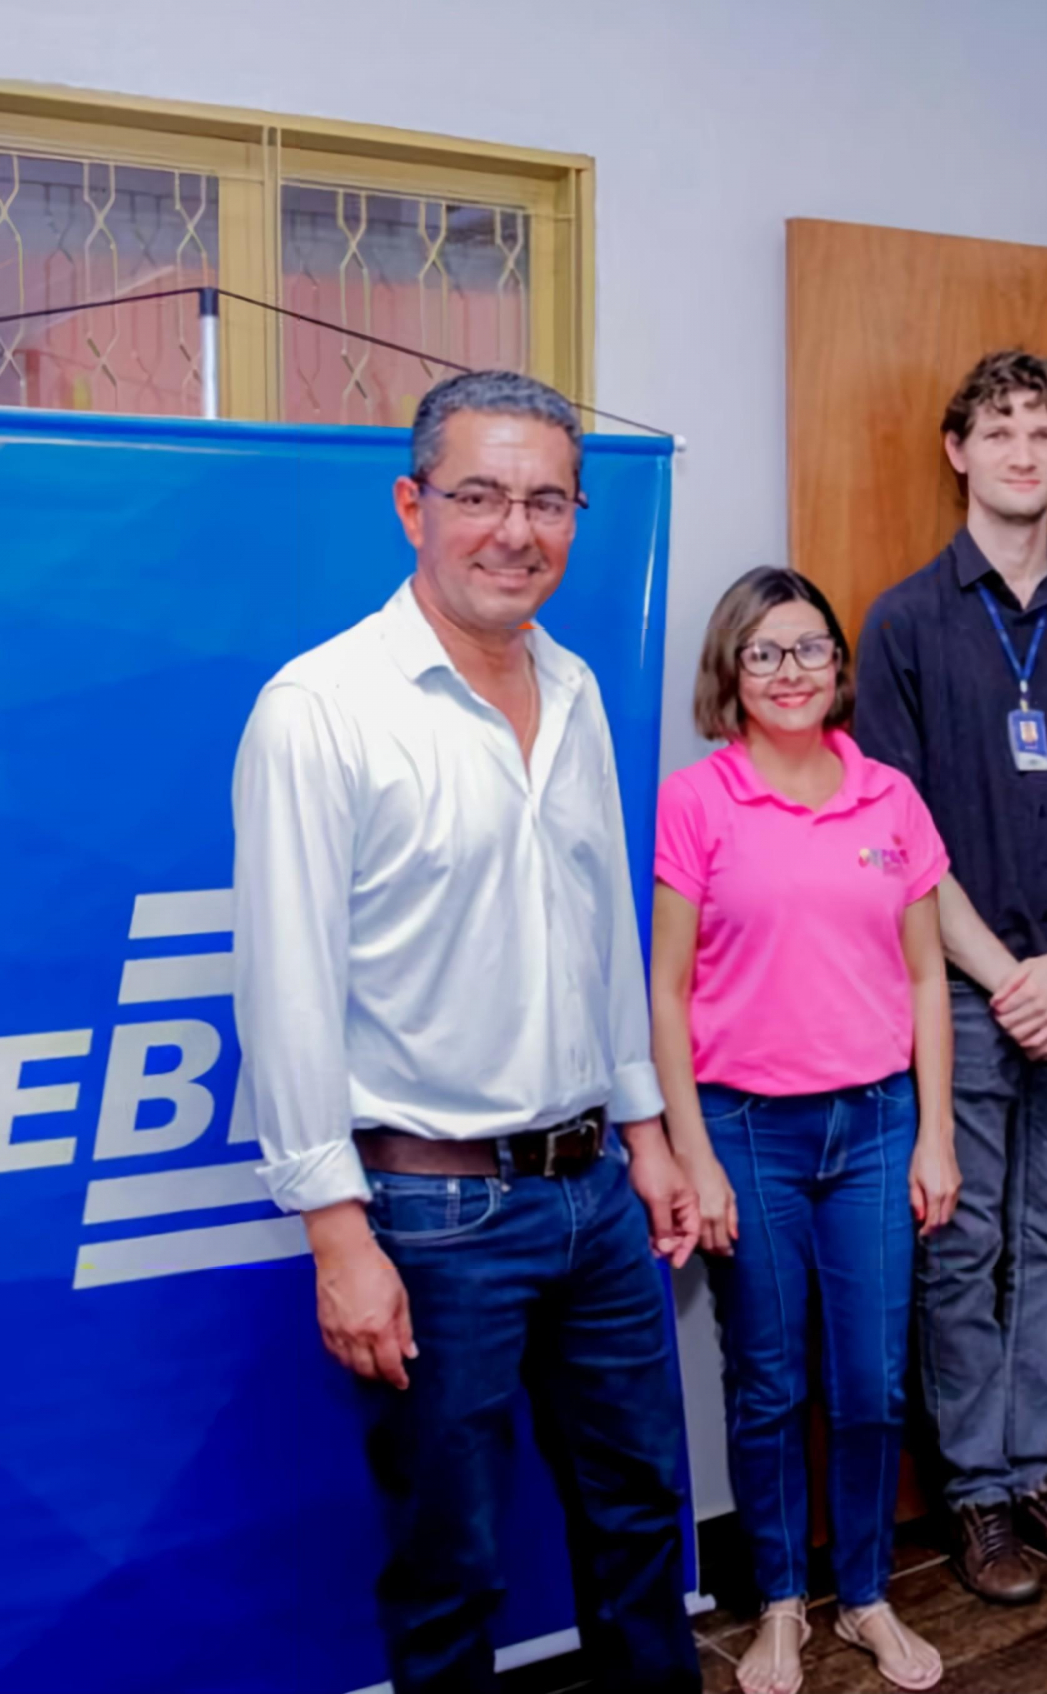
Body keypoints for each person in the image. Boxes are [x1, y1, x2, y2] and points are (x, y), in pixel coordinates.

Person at [231, 370, 702, 1694]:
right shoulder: (320, 709)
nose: (517, 529)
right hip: (431, 1221)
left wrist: (649, 1133)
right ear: (412, 505)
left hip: (598, 1199)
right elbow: (282, 990)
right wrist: (337, 1238)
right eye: (481, 494)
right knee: (452, 1565)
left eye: (548, 499)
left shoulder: (581, 690)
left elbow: (602, 934)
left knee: (640, 1529)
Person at [852, 349, 1047, 1604]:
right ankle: (975, 1496)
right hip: (958, 998)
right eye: (999, 429)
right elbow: (893, 830)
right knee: (961, 1241)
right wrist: (1005, 979)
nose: (1023, 451)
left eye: (1045, 432)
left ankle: (1036, 1470)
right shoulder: (906, 620)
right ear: (958, 451)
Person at [648, 566, 960, 1694]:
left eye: (811, 649)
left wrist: (936, 1134)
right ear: (732, 670)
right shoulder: (698, 801)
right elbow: (666, 990)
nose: (791, 671)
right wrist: (692, 1152)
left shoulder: (890, 798)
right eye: (766, 651)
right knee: (771, 1381)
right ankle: (781, 1601)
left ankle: (866, 1593)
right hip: (746, 1133)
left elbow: (927, 976)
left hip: (877, 1127)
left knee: (873, 1380)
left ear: (840, 668)